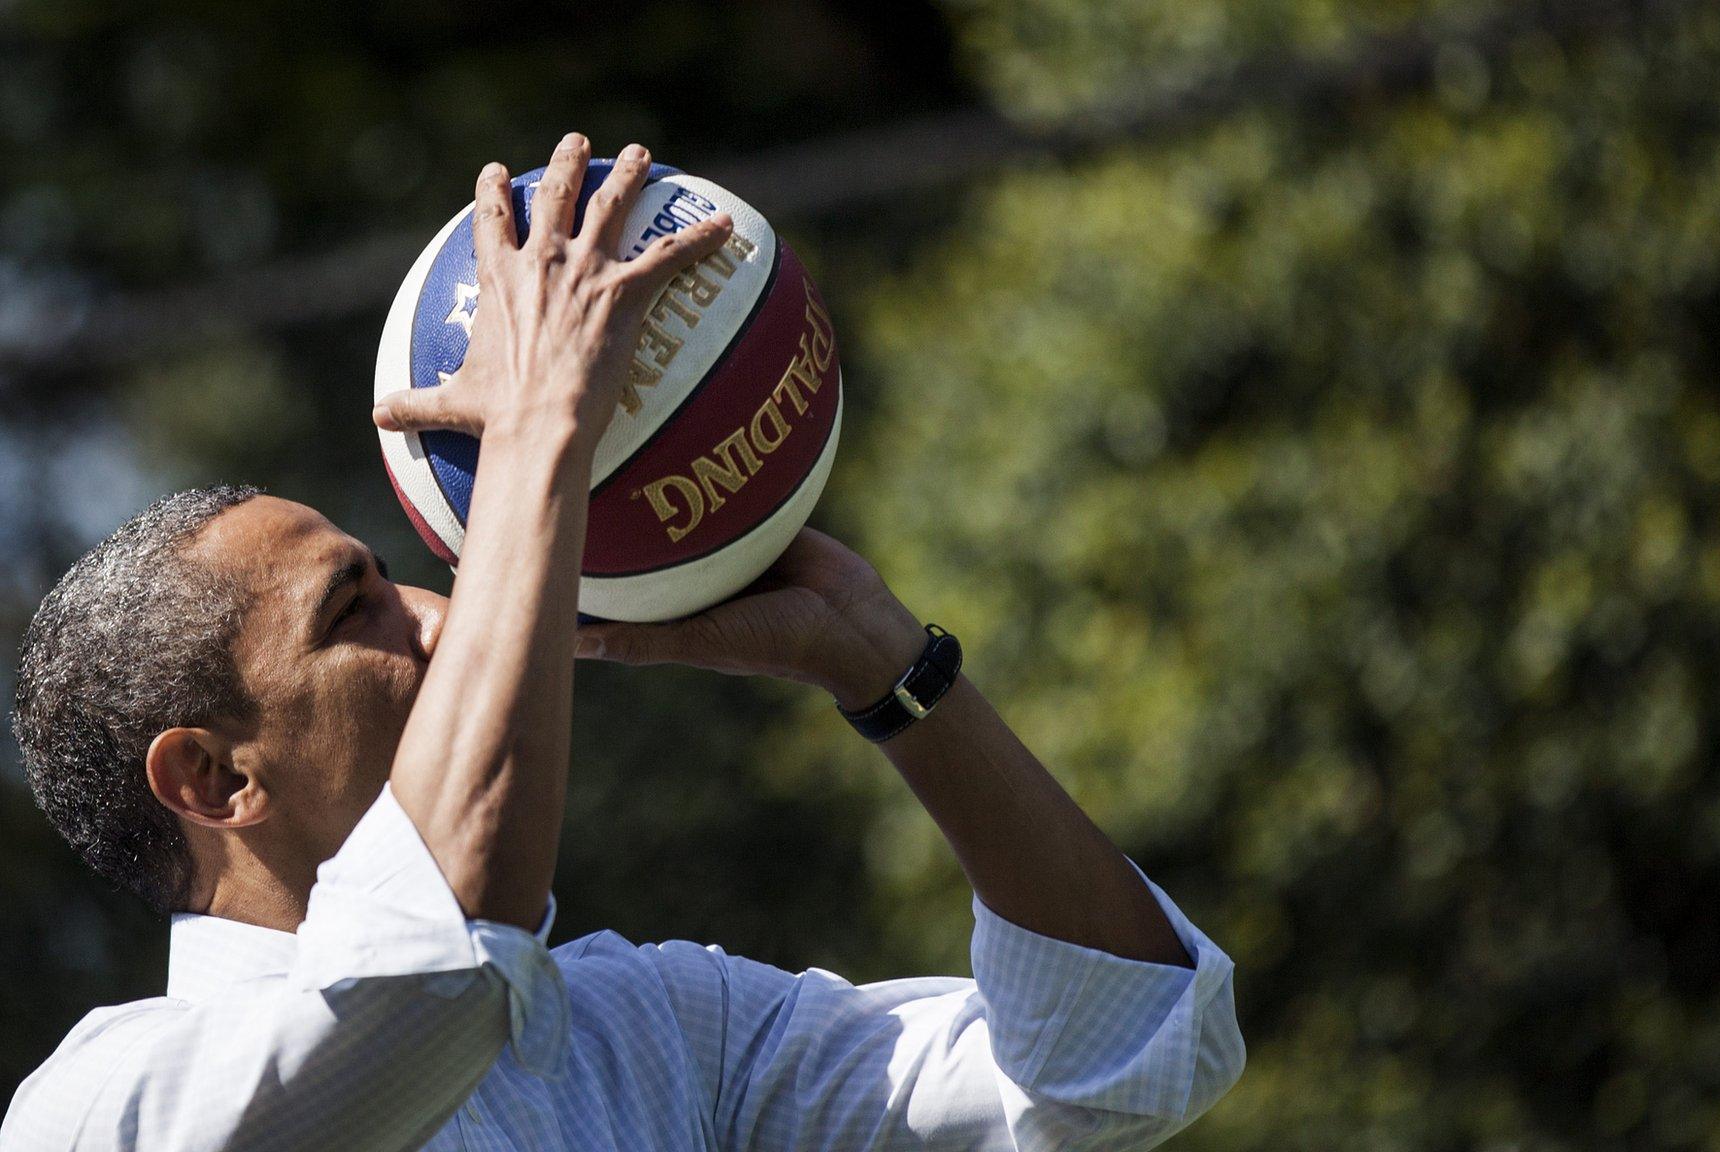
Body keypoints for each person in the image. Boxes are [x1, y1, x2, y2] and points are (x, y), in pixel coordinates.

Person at [0, 135, 1244, 1152]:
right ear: (215, 779)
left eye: (402, 577)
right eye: (353, 611)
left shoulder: (658, 1024)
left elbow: (1119, 1065)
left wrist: (887, 672)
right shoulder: (107, 1113)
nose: (441, 614)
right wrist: (539, 427)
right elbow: (424, 987)